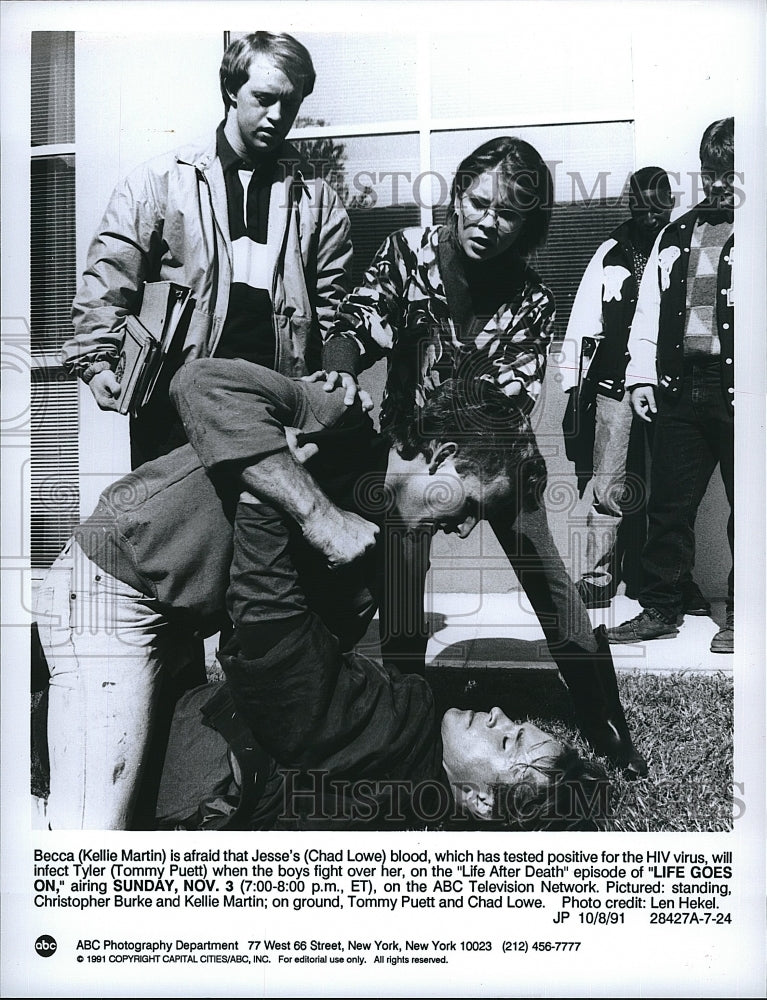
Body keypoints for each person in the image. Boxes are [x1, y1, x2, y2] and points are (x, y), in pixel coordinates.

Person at [34, 362, 561, 828]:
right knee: (93, 835)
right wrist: (316, 511)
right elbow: (197, 384)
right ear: (443, 456)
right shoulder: (339, 417)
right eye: (470, 508)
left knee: (144, 787)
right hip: (114, 589)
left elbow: (281, 654)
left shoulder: (383, 552)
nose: (465, 530)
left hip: (177, 626)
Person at [318, 136, 647, 776]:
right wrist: (340, 373)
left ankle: (608, 731)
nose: (487, 223)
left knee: (552, 589)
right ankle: (405, 726)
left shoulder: (533, 300)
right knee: (401, 591)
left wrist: (437, 436)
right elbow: (355, 325)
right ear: (458, 196)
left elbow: (505, 405)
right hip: (413, 464)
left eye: (509, 214)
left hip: (499, 467)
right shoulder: (406, 254)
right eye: (478, 202)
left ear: (528, 225)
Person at [61, 31, 353, 467]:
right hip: (171, 412)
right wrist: (98, 363)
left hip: (276, 413)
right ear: (231, 91)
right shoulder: (159, 184)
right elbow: (108, 279)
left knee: (263, 533)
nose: (277, 115)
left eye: (289, 104)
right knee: (174, 532)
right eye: (264, 98)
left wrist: (339, 368)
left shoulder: (318, 200)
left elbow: (337, 307)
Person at [606, 118, 735, 653]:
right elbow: (648, 312)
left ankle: (746, 613)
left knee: (753, 506)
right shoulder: (677, 232)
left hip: (744, 393)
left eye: (730, 172)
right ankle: (661, 606)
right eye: (711, 172)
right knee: (668, 504)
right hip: (681, 387)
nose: (719, 183)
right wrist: (640, 377)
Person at [557, 167, 712, 611]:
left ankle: (671, 581)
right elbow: (584, 323)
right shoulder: (610, 252)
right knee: (609, 487)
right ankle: (597, 577)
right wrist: (571, 387)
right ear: (630, 204)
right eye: (640, 204)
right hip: (614, 388)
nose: (649, 214)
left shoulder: (682, 245)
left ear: (669, 203)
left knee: (671, 492)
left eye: (657, 205)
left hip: (667, 385)